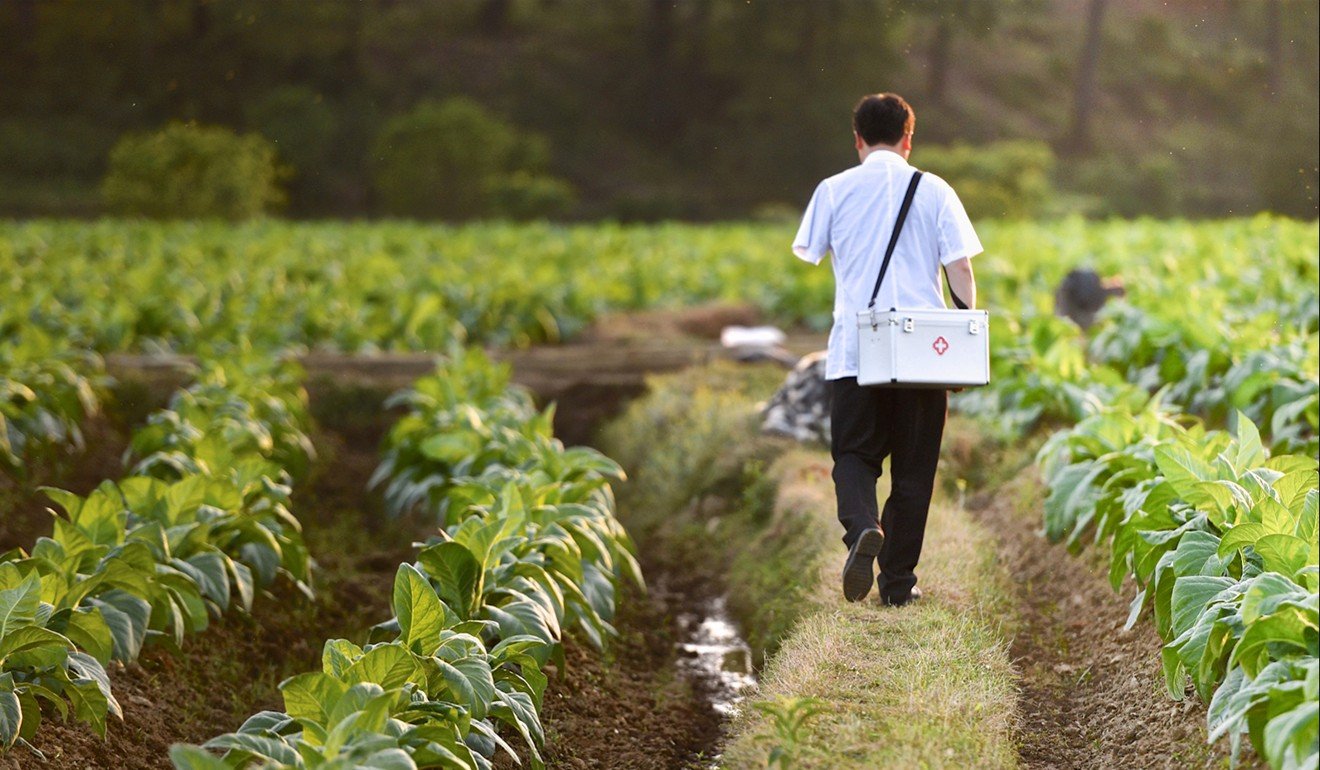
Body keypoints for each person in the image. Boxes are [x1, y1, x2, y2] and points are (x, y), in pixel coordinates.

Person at [792, 93, 981, 606]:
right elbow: (960, 268)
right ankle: (898, 585)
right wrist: (964, 331)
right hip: (924, 349)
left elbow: (810, 252)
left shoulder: (832, 190)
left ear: (857, 139)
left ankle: (860, 531)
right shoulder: (936, 189)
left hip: (857, 347)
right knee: (915, 470)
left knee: (854, 455)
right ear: (908, 138)